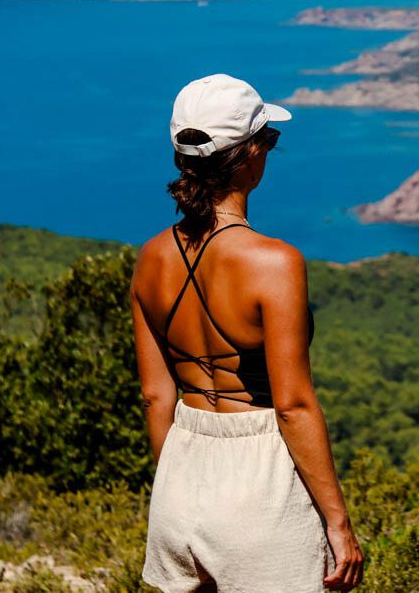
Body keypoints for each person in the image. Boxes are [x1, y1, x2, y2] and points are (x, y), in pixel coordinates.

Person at [129, 73, 364, 593]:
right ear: (251, 153)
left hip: (179, 478)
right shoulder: (274, 263)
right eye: (269, 141)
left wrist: (179, 482)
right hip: (259, 485)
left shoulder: (150, 259)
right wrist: (339, 524)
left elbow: (153, 394)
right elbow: (293, 406)